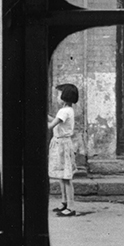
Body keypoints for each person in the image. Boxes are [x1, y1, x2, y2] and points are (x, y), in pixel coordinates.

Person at [48, 83, 79, 217]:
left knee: (66, 178)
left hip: (62, 145)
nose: (57, 96)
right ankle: (64, 202)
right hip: (63, 144)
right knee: (63, 176)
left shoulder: (63, 111)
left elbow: (51, 125)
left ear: (64, 96)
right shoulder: (68, 110)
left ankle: (70, 206)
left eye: (59, 93)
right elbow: (55, 121)